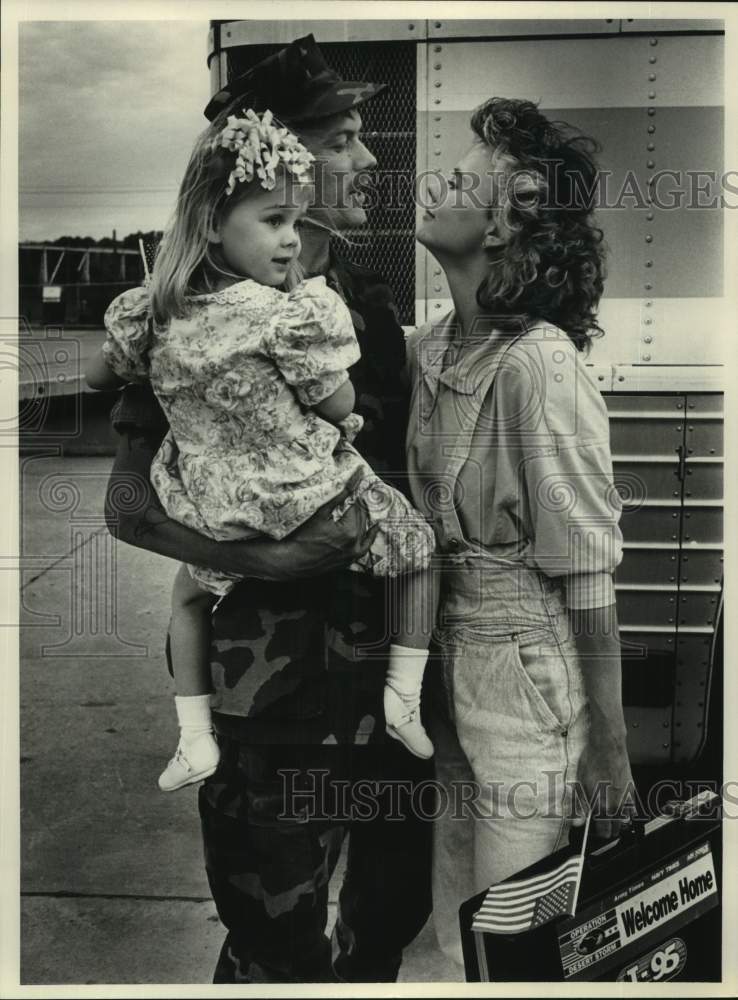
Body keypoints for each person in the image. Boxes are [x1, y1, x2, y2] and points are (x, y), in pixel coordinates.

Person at [103, 36, 435, 982]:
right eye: (343, 139)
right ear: (270, 159)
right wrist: (261, 560)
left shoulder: (359, 300)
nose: (367, 160)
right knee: (275, 941)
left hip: (384, 688)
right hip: (273, 704)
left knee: (384, 922)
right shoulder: (193, 315)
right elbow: (129, 501)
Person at [87, 109, 435, 790]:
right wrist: (344, 407)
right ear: (214, 222)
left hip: (210, 508)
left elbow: (106, 375)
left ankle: (194, 738)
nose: (289, 243)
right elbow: (337, 404)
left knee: (188, 602)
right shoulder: (290, 311)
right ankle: (405, 695)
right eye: (276, 223)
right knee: (418, 549)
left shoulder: (152, 312)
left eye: (293, 224)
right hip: (306, 497)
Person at [408, 97, 635, 966]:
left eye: (461, 180)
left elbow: (585, 572)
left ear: (504, 224)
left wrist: (610, 749)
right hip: (453, 673)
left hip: (533, 681)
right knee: (460, 930)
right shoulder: (433, 348)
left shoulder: (540, 364)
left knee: (523, 942)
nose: (438, 184)